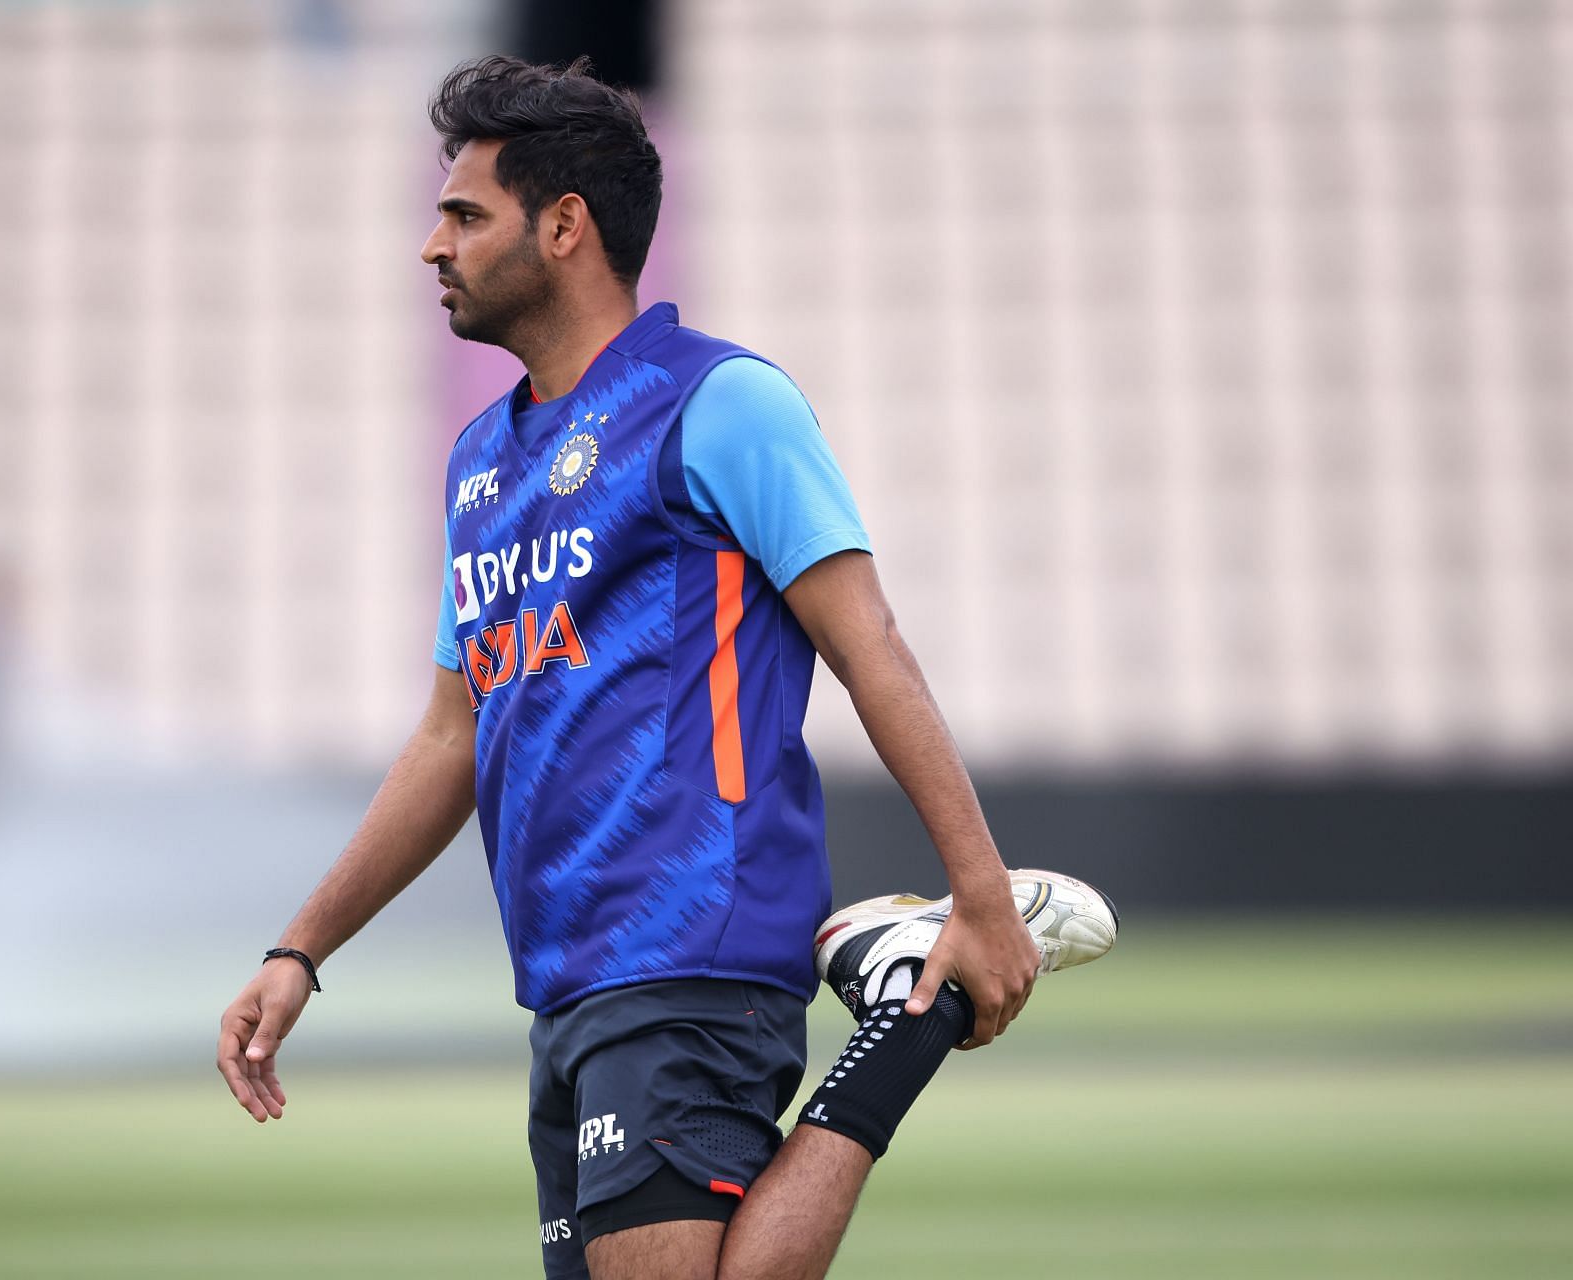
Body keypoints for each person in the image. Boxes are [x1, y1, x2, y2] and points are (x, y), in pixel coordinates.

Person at [217, 55, 1093, 1280]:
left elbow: (867, 642)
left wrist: (983, 888)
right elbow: (449, 734)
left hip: (692, 937)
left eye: (465, 214)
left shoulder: (720, 402)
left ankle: (914, 1016)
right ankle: (905, 1014)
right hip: (568, 976)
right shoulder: (481, 458)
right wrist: (299, 948)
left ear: (565, 226)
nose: (432, 244)